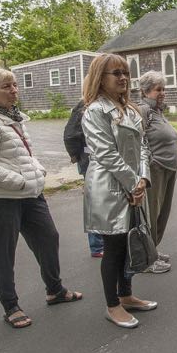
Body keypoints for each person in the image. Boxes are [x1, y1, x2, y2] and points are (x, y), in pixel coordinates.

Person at [0, 68, 83, 330]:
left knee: (49, 238)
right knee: (5, 252)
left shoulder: (14, 118)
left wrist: (38, 170)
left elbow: (24, 153)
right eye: (6, 87)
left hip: (30, 194)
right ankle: (10, 306)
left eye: (15, 86)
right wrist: (19, 181)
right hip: (1, 198)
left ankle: (55, 290)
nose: (14, 91)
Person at [82, 53, 157, 329]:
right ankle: (112, 305)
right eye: (117, 73)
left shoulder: (131, 110)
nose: (124, 78)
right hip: (109, 187)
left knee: (129, 245)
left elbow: (143, 149)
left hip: (132, 186)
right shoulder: (95, 111)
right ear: (101, 78)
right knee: (113, 248)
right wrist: (132, 182)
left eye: (126, 73)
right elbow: (105, 153)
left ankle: (126, 295)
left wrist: (143, 180)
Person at [138, 70, 177, 274]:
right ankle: (146, 259)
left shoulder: (158, 111)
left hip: (169, 167)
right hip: (156, 169)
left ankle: (152, 250)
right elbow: (138, 141)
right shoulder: (143, 110)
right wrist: (149, 164)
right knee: (151, 215)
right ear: (145, 92)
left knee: (162, 212)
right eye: (158, 89)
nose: (162, 92)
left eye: (163, 88)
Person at [64, 100, 104, 258]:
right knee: (95, 202)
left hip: (101, 159)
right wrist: (75, 154)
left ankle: (106, 240)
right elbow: (70, 135)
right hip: (89, 159)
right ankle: (97, 245)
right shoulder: (84, 105)